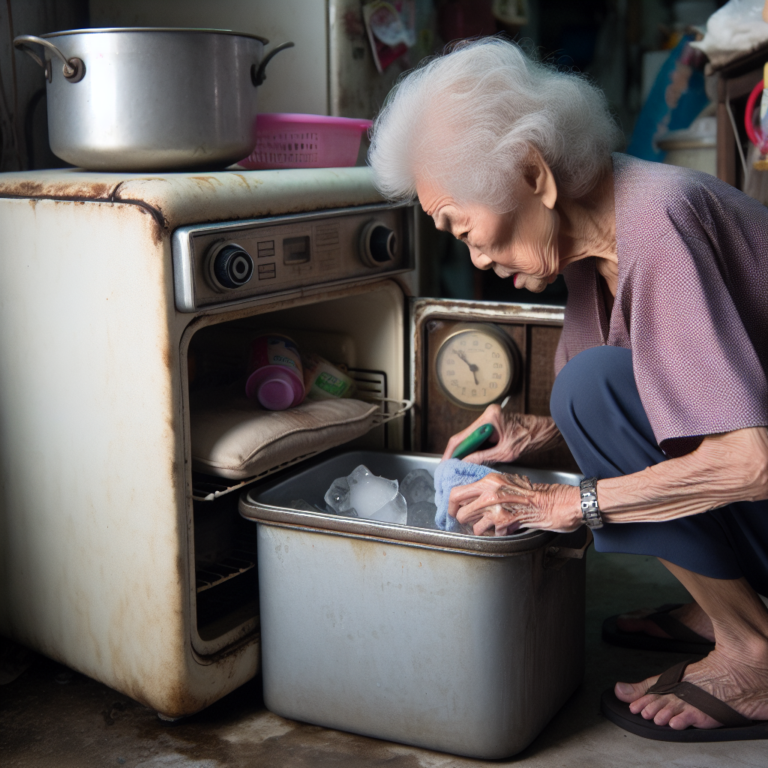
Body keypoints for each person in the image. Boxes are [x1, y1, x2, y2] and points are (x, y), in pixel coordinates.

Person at [368, 38, 768, 741]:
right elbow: (657, 398)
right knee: (584, 400)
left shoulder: (660, 219)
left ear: (532, 171)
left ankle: (754, 651)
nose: (479, 259)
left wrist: (564, 503)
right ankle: (728, 604)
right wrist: (540, 435)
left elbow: (751, 462)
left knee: (588, 392)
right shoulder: (592, 245)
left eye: (464, 228)